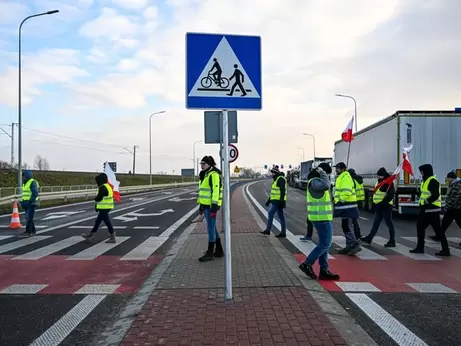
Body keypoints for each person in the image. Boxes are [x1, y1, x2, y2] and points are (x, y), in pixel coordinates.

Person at [299, 163, 340, 280]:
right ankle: (307, 264)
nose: (327, 175)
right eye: (326, 173)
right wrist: (322, 172)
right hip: (320, 218)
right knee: (326, 244)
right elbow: (326, 185)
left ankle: (324, 270)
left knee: (324, 244)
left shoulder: (316, 181)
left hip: (322, 218)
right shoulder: (315, 182)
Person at [410, 164, 450, 256]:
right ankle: (444, 249)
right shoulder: (425, 181)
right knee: (435, 230)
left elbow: (435, 195)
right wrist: (419, 194)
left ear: (426, 171)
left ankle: (421, 248)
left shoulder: (433, 181)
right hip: (428, 209)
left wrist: (427, 201)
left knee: (423, 228)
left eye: (422, 171)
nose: (421, 173)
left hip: (430, 209)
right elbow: (426, 194)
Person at [360, 167, 396, 247]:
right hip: (379, 206)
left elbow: (390, 195)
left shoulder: (388, 183)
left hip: (386, 206)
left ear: (384, 175)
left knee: (389, 223)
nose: (378, 177)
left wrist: (383, 203)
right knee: (376, 223)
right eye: (378, 176)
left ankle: (392, 240)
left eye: (380, 176)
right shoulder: (379, 181)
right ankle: (369, 238)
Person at [197, 155, 224, 262]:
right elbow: (203, 192)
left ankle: (210, 252)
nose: (202, 166)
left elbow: (215, 191)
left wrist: (214, 207)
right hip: (205, 205)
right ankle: (219, 250)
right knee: (212, 227)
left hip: (211, 206)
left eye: (204, 164)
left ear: (209, 164)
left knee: (210, 228)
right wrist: (201, 206)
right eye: (201, 164)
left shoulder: (214, 175)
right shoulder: (205, 174)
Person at [333, 162, 362, 255]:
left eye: (337, 168)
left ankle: (354, 243)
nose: (336, 170)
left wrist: (340, 199)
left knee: (347, 226)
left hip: (347, 206)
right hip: (346, 206)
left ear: (342, 169)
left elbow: (347, 191)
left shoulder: (345, 177)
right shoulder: (342, 176)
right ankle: (350, 245)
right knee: (345, 226)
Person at [82, 173, 116, 243]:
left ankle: (113, 236)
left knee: (107, 222)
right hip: (107, 206)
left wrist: (95, 198)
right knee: (97, 221)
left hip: (104, 207)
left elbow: (99, 198)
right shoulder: (108, 186)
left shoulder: (102, 187)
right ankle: (91, 235)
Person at [261, 167, 287, 238]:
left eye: (272, 172)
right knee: (281, 216)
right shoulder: (276, 180)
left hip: (278, 201)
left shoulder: (280, 179)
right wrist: (268, 201)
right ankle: (283, 232)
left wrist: (281, 201)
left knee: (270, 213)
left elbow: (282, 191)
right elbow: (273, 192)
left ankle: (268, 230)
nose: (271, 174)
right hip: (276, 201)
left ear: (275, 173)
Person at [437, 171, 461, 246]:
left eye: (448, 178)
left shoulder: (457, 185)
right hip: (453, 208)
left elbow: (454, 198)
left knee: (448, 223)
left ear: (451, 178)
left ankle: (439, 236)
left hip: (456, 208)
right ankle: (439, 236)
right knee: (445, 222)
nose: (447, 180)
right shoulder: (453, 184)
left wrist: (447, 206)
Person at [19, 170, 39, 237]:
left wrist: (31, 201)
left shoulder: (32, 182)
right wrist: (22, 201)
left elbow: (35, 193)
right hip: (26, 202)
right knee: (29, 218)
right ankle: (33, 231)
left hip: (31, 203)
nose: (23, 177)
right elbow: (24, 193)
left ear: (27, 175)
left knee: (29, 218)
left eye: (24, 175)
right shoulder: (25, 183)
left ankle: (28, 231)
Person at [348, 168, 364, 239]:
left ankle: (356, 235)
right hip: (359, 201)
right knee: (354, 220)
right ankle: (357, 234)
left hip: (353, 201)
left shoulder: (352, 180)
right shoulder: (359, 180)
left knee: (352, 220)